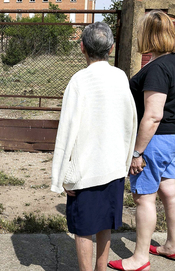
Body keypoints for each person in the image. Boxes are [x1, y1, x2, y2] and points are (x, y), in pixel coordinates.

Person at [51, 21, 137, 271]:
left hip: (85, 169)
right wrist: (126, 158)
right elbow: (131, 120)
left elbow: (66, 129)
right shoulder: (120, 76)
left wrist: (61, 177)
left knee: (83, 229)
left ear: (82, 48)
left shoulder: (79, 81)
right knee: (104, 224)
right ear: (111, 47)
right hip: (113, 166)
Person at [108, 10, 175, 271]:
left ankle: (140, 257)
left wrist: (136, 152)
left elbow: (153, 116)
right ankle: (172, 245)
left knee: (144, 197)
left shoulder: (158, 68)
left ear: (149, 35)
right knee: (169, 189)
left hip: (155, 139)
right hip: (174, 135)